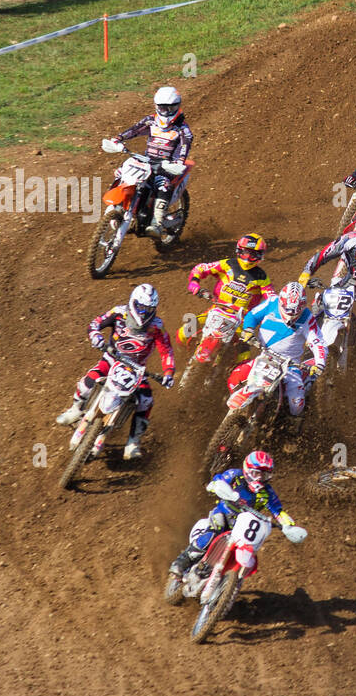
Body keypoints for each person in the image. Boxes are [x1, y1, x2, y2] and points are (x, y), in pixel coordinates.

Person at [55, 283, 175, 460]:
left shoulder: (157, 327)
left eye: (148, 309)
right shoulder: (119, 313)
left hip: (136, 369)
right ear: (133, 303)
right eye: (140, 307)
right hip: (111, 358)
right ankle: (75, 409)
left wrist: (169, 373)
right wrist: (95, 336)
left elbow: (166, 350)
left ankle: (133, 441)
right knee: (88, 381)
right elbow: (95, 323)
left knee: (146, 400)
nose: (143, 312)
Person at [166, 451, 304, 591]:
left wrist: (288, 526)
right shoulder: (236, 475)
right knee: (214, 530)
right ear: (248, 470)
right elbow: (217, 481)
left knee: (250, 548)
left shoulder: (267, 492)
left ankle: (227, 583)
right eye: (257, 473)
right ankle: (182, 562)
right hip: (224, 514)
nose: (260, 478)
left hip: (242, 526)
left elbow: (278, 511)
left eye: (265, 475)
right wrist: (220, 488)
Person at [229, 281, 326, 437]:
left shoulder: (307, 318)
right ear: (282, 301)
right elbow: (253, 315)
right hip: (264, 357)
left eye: (295, 311)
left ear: (302, 306)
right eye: (287, 309)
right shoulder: (272, 302)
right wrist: (247, 330)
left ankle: (291, 432)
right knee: (235, 378)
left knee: (296, 402)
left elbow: (318, 342)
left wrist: (320, 362)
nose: (291, 314)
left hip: (290, 365)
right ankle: (233, 411)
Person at [109, 86, 193, 237]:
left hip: (166, 166)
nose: (166, 112)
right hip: (147, 161)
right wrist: (118, 139)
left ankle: (157, 222)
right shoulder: (151, 121)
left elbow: (184, 146)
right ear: (157, 106)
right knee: (122, 172)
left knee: (164, 186)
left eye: (170, 108)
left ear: (177, 106)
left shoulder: (182, 129)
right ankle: (116, 207)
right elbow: (134, 129)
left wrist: (179, 162)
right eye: (162, 108)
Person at [185, 233, 271, 317]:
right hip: (216, 310)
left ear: (259, 256)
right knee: (183, 331)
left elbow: (273, 300)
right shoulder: (228, 264)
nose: (248, 258)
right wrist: (194, 282)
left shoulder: (262, 278)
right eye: (245, 253)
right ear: (239, 251)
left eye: (253, 255)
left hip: (240, 320)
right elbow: (201, 268)